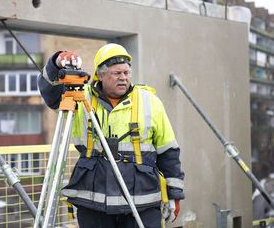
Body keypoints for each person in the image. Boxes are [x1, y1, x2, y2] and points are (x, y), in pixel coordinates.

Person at [38, 43, 185, 228]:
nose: (124, 78)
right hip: (94, 204)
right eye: (117, 73)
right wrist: (56, 64)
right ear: (100, 75)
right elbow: (49, 93)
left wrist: (174, 194)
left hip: (140, 203)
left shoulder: (150, 101)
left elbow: (168, 151)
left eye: (126, 72)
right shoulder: (79, 98)